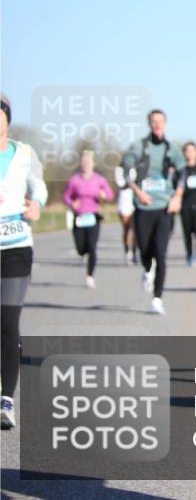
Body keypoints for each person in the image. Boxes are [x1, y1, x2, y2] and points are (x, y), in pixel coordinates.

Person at [0, 94, 48, 429]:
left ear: (7, 122)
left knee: (8, 320)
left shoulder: (24, 154)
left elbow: (39, 187)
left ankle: (6, 399)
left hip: (17, 245)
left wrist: (37, 206)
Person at [121, 109, 184, 315]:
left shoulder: (171, 148)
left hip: (164, 207)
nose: (157, 125)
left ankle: (157, 299)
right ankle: (147, 269)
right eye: (154, 122)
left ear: (165, 124)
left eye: (160, 121)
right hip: (143, 207)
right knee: (145, 250)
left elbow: (183, 171)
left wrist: (177, 197)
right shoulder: (139, 146)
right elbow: (126, 170)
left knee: (161, 253)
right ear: (149, 124)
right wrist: (138, 192)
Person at [62, 150, 114, 288]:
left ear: (93, 164)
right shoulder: (74, 180)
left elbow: (110, 195)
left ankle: (90, 276)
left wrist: (104, 195)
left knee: (92, 247)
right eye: (84, 162)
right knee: (81, 249)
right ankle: (83, 254)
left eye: (88, 162)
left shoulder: (99, 180)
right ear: (81, 164)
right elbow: (66, 196)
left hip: (93, 217)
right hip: (78, 217)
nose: (86, 165)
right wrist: (72, 203)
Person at [175, 142, 196, 265]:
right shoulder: (181, 169)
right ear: (184, 153)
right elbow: (175, 185)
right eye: (187, 151)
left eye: (192, 150)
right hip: (185, 204)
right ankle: (189, 255)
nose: (190, 153)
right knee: (187, 231)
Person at [114, 164, 139, 264]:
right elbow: (121, 184)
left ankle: (134, 252)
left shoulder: (135, 168)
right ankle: (127, 252)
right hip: (124, 202)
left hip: (135, 200)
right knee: (126, 229)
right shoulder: (119, 169)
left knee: (136, 230)